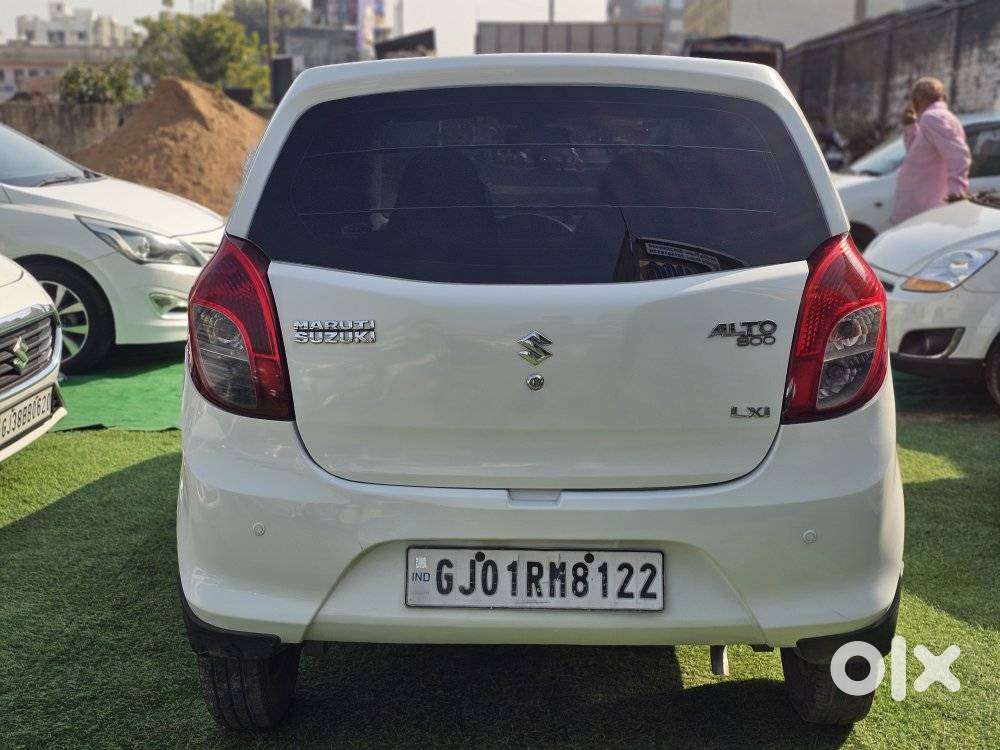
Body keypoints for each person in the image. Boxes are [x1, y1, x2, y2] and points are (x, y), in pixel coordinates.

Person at [891, 77, 971, 225]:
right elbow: (919, 153)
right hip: (923, 205)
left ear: (916, 100)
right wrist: (910, 126)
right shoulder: (939, 117)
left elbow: (958, 154)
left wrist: (956, 191)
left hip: (924, 207)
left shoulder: (932, 118)